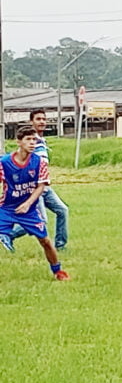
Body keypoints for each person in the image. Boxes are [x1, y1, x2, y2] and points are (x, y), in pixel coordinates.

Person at [0, 126, 69, 281]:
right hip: (6, 208)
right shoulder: (4, 162)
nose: (32, 143)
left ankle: (58, 271)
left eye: (34, 140)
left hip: (29, 210)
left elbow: (41, 186)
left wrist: (28, 203)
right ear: (19, 142)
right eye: (28, 139)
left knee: (45, 241)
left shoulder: (38, 162)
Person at [10, 109, 70, 250]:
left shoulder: (41, 141)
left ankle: (61, 246)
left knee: (62, 210)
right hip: (33, 188)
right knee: (40, 220)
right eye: (38, 119)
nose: (42, 121)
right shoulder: (29, 141)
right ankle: (7, 234)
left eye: (44, 119)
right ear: (31, 122)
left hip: (45, 186)